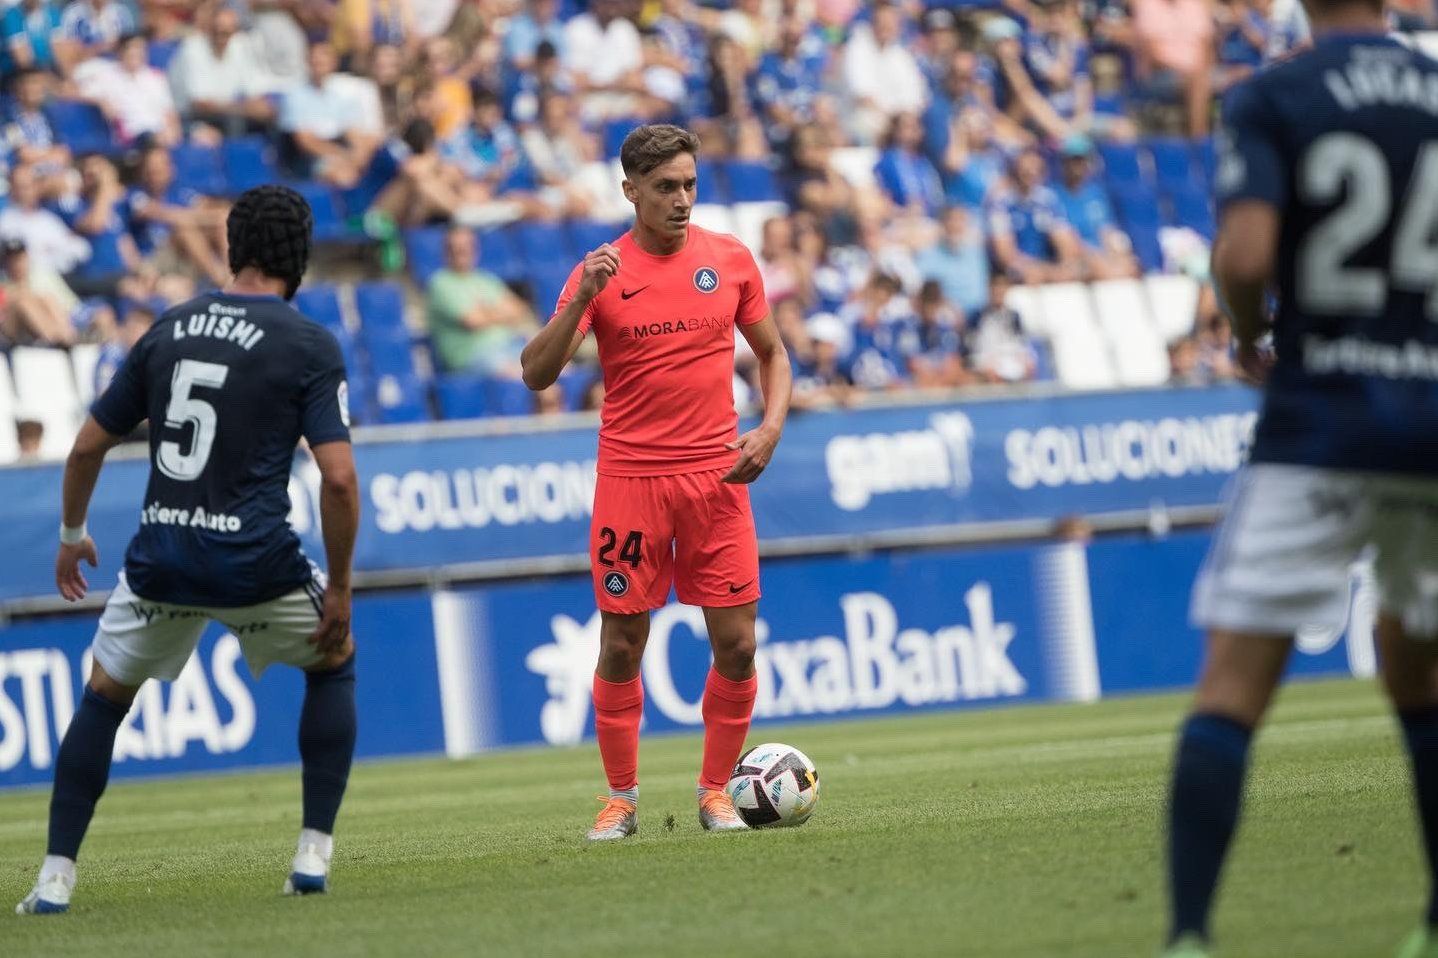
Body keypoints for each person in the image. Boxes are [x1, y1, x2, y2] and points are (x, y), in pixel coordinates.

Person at [1161, 0, 1438, 955]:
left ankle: (1189, 937)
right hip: (1431, 419)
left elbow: (1245, 256)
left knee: (1233, 688)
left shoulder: (1274, 93)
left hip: (1323, 418)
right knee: (1421, 673)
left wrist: (1249, 334)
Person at [15, 185, 360, 916]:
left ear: (232, 250)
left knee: (103, 698)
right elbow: (338, 478)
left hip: (162, 558)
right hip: (257, 563)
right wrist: (338, 588)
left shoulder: (168, 328)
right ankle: (312, 854)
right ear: (299, 258)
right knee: (334, 661)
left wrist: (73, 536)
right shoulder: (308, 344)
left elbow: (86, 447)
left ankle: (53, 879)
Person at [520, 124, 793, 841]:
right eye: (666, 187)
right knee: (621, 644)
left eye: (690, 185)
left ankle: (715, 794)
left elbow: (773, 355)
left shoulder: (730, 260)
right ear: (630, 190)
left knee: (738, 644)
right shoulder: (601, 271)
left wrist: (769, 428)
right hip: (632, 481)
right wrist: (581, 299)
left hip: (717, 477)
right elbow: (536, 373)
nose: (681, 200)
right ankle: (621, 799)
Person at [426, 225, 535, 375]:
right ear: (446, 252)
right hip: (472, 357)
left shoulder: (486, 279)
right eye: (456, 249)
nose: (463, 252)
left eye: (468, 247)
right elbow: (473, 320)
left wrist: (485, 312)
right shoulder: (440, 283)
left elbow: (519, 309)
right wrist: (500, 312)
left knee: (554, 365)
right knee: (524, 374)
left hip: (509, 345)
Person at [985, 148, 1083, 283]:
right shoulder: (1001, 203)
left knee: (1081, 270)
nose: (1031, 174)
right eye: (1025, 171)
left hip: (1045, 267)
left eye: (1037, 170)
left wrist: (1062, 267)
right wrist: (1034, 268)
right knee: (1027, 276)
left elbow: (1066, 243)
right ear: (1014, 172)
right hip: (1014, 271)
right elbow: (1004, 254)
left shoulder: (1047, 200)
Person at [1054, 134, 1139, 278]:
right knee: (1098, 268)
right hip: (1075, 260)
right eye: (1074, 160)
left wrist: (1119, 255)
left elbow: (1107, 230)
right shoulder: (1054, 196)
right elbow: (1063, 239)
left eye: (1082, 160)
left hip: (1100, 257)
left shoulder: (1096, 195)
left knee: (1131, 266)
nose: (1078, 165)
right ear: (1064, 162)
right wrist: (1095, 258)